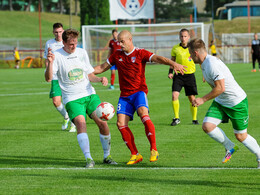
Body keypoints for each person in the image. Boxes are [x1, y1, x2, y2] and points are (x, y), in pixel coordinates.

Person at [94, 30, 186, 165]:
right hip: (124, 96)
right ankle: (135, 154)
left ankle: (154, 149)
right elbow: (102, 67)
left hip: (139, 92)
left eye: (122, 41)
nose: (119, 44)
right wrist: (84, 70)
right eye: (118, 42)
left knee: (143, 114)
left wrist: (173, 64)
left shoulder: (140, 53)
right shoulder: (116, 55)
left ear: (130, 39)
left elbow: (158, 58)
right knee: (120, 124)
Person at [45, 28, 117, 168]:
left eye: (76, 43)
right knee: (81, 124)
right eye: (71, 44)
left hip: (89, 94)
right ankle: (89, 158)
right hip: (72, 98)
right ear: (64, 43)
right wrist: (50, 63)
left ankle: (107, 155)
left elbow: (89, 74)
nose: (74, 47)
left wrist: (100, 78)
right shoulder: (56, 56)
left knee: (103, 123)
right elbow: (48, 78)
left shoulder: (81, 52)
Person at [188, 38, 260, 168]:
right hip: (221, 101)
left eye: (190, 53)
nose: (189, 56)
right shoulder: (205, 62)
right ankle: (230, 146)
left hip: (236, 102)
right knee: (207, 126)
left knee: (241, 135)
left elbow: (221, 88)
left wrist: (202, 99)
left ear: (196, 53)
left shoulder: (211, 64)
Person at [44, 23, 76, 132]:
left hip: (67, 77)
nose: (58, 34)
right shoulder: (49, 43)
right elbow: (47, 59)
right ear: (53, 32)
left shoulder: (67, 43)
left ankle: (73, 123)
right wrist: (48, 71)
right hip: (55, 77)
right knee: (56, 102)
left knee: (70, 101)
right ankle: (66, 116)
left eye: (60, 32)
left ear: (63, 32)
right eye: (56, 32)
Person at [168, 29, 199, 126]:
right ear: (179, 37)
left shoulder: (193, 49)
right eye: (181, 36)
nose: (183, 38)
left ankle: (194, 119)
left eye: (185, 36)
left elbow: (200, 60)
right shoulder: (175, 48)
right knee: (174, 96)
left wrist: (205, 74)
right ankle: (176, 118)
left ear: (189, 37)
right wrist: (170, 72)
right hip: (178, 76)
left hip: (190, 75)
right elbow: (172, 61)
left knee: (192, 98)